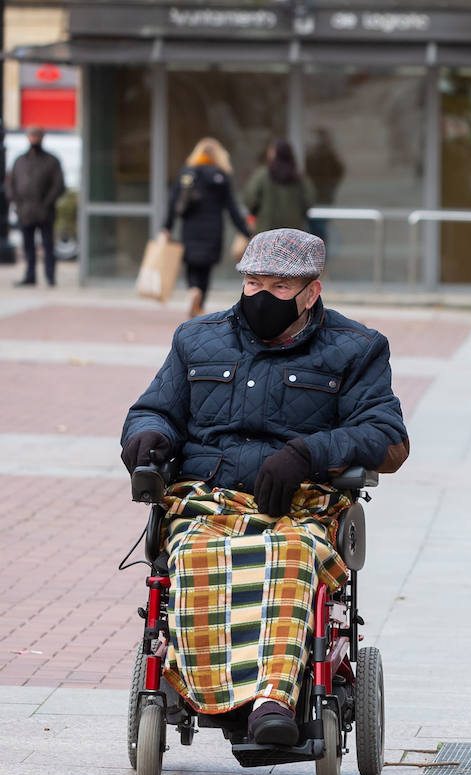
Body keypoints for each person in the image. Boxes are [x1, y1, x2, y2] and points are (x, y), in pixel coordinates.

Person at [119, 229, 409, 746]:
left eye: (279, 287)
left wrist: (307, 453)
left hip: (300, 508)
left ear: (311, 292)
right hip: (207, 502)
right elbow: (155, 408)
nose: (260, 297)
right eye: (253, 282)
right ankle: (211, 691)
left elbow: (388, 439)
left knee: (290, 554)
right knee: (196, 555)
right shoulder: (197, 339)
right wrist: (147, 436)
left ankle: (273, 698)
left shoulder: (356, 349)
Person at [161, 138, 253, 319]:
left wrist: (167, 227)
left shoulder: (187, 174)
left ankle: (193, 291)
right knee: (205, 267)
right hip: (213, 228)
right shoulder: (220, 176)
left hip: (191, 228)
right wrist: (246, 231)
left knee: (192, 266)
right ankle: (200, 303)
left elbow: (173, 203)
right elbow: (232, 208)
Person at [5, 127, 65, 288]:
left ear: (42, 138)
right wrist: (17, 202)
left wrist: (46, 203)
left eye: (37, 136)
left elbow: (59, 185)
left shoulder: (51, 161)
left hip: (45, 212)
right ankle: (30, 276)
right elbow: (11, 184)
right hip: (25, 211)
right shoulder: (20, 160)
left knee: (48, 246)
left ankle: (50, 276)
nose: (34, 139)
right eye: (31, 136)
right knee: (28, 247)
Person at [244, 139, 316, 233]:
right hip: (293, 229)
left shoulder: (263, 175)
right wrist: (299, 213)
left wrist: (256, 211)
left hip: (266, 227)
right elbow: (310, 199)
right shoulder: (299, 176)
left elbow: (250, 197)